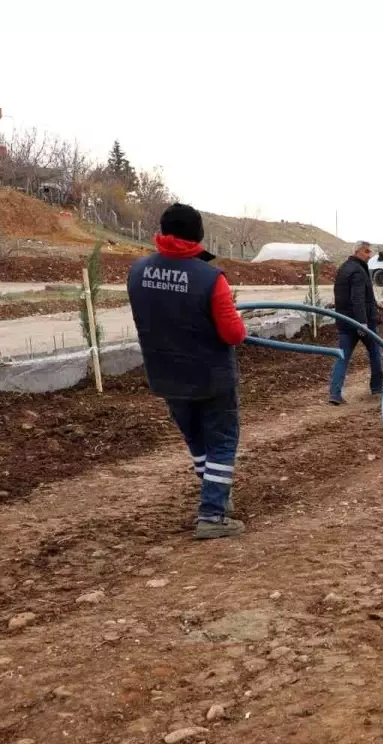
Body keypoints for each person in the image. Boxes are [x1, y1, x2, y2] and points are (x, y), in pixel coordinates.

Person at [127, 203, 248, 540]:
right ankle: (213, 514)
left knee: (197, 440)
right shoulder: (211, 278)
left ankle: (216, 493)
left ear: (163, 232)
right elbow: (233, 334)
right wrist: (238, 321)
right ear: (197, 235)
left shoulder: (137, 272)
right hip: (210, 377)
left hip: (166, 374)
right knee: (222, 442)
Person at [330, 241, 383, 405]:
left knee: (342, 357)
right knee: (375, 352)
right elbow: (357, 299)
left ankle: (334, 393)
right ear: (357, 251)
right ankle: (377, 387)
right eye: (367, 251)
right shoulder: (359, 271)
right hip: (362, 322)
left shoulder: (344, 268)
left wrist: (375, 303)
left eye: (370, 252)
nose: (370, 255)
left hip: (344, 321)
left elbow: (354, 294)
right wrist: (362, 323)